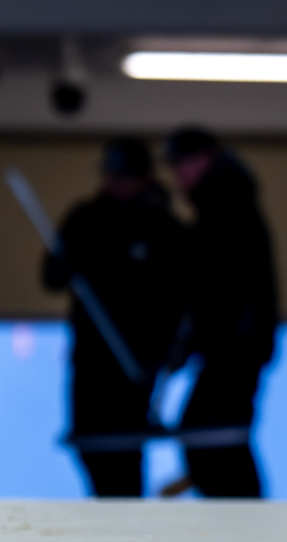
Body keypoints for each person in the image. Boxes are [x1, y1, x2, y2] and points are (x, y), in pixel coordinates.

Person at [41, 137, 187, 498]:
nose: (114, 182)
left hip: (137, 363)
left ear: (144, 177)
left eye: (123, 175)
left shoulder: (165, 228)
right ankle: (105, 530)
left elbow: (184, 297)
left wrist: (168, 352)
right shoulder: (85, 219)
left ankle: (130, 538)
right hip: (91, 357)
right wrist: (64, 265)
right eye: (110, 174)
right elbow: (51, 277)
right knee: (92, 446)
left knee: (125, 453)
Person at [162, 127, 279, 499]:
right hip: (234, 346)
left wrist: (192, 342)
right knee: (211, 438)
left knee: (210, 437)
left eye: (183, 166)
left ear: (206, 159)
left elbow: (218, 290)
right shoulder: (223, 206)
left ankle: (246, 532)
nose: (178, 178)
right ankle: (241, 529)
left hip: (234, 347)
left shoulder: (225, 209)